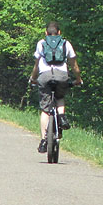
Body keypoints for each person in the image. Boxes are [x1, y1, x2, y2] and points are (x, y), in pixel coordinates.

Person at [29, 21, 82, 154]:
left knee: (45, 109)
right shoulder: (66, 43)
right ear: (59, 32)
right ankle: (62, 117)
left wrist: (33, 78)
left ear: (46, 33)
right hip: (61, 76)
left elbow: (36, 66)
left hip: (44, 77)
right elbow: (74, 65)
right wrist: (78, 79)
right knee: (60, 96)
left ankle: (43, 140)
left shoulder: (41, 43)